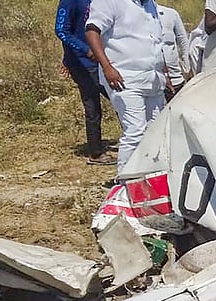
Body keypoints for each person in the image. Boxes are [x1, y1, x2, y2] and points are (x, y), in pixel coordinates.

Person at [86, 0, 167, 175]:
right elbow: (92, 31)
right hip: (124, 77)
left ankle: (150, 177)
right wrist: (107, 66)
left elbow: (155, 41)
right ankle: (126, 180)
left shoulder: (150, 5)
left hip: (153, 78)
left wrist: (165, 71)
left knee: (156, 132)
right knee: (135, 131)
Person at [56, 0, 116, 165]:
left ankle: (135, 140)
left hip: (104, 59)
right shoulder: (70, 1)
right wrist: (84, 50)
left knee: (120, 98)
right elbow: (61, 30)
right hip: (83, 63)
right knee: (93, 105)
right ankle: (96, 153)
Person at [158, 3, 190, 100]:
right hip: (153, 81)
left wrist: (187, 67)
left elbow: (183, 39)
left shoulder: (170, 14)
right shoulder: (136, 16)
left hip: (175, 79)